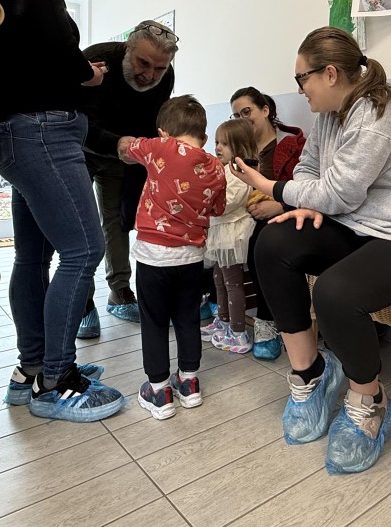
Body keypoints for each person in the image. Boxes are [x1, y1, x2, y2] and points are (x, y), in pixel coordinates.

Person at [231, 27, 391, 474]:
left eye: (302, 79)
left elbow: (340, 192)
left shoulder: (380, 111)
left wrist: (271, 186)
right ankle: (310, 374)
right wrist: (303, 202)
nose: (300, 90)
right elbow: (310, 169)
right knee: (271, 242)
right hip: (357, 223)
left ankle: (369, 399)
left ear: (330, 73)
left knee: (335, 292)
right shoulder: (331, 116)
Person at [0, 0, 125, 423]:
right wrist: (87, 74)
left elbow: (31, 49)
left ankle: (31, 369)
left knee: (33, 256)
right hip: (42, 132)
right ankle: (56, 380)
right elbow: (54, 45)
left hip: (15, 133)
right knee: (84, 249)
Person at [118, 96, 227, 420]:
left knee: (153, 321)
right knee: (187, 318)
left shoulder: (160, 148)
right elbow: (218, 208)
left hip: (153, 257)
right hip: (191, 259)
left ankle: (159, 390)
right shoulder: (215, 166)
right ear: (203, 138)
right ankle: (189, 383)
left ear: (164, 133)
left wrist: (128, 146)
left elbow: (128, 147)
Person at [76, 21, 178, 333]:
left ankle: (119, 292)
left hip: (123, 156)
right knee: (81, 226)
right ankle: (82, 301)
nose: (149, 75)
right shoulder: (95, 59)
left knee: (117, 222)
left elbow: (152, 121)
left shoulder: (165, 78)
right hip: (81, 149)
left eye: (159, 68)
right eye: (142, 63)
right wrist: (118, 144)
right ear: (127, 49)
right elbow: (78, 120)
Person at [229, 88, 305, 360]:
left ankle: (266, 321)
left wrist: (281, 206)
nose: (242, 119)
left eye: (246, 111)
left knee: (260, 238)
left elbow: (306, 188)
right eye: (236, 115)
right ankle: (217, 306)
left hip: (283, 215)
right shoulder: (240, 149)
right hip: (246, 213)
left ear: (265, 110)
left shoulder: (291, 145)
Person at [201, 118, 258, 354]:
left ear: (240, 146)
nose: (218, 147)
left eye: (224, 143)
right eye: (217, 142)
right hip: (220, 230)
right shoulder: (223, 169)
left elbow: (229, 201)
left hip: (232, 231)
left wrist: (207, 199)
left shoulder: (241, 172)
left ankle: (238, 332)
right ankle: (223, 321)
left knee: (232, 283)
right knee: (219, 279)